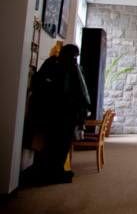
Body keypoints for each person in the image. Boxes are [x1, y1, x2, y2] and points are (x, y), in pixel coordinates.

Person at [23, 44, 91, 186]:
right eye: (74, 55)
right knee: (51, 145)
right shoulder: (53, 64)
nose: (75, 59)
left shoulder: (72, 67)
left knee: (61, 145)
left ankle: (56, 170)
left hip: (67, 115)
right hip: (52, 113)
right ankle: (46, 172)